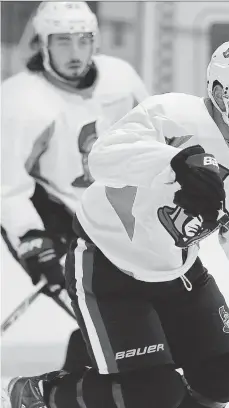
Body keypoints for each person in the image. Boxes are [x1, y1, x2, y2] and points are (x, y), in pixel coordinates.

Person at [5, 41, 229, 408]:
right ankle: (42, 395)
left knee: (226, 372)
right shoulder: (171, 114)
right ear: (218, 92)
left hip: (177, 269)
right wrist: (176, 163)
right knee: (153, 392)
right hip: (108, 263)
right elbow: (104, 158)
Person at [1, 1, 149, 374]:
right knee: (111, 320)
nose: (75, 53)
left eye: (84, 41)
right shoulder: (19, 100)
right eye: (63, 42)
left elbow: (156, 139)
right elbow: (7, 185)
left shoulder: (122, 78)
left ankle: (72, 389)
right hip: (56, 222)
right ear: (42, 44)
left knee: (141, 313)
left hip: (115, 216)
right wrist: (32, 241)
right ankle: (57, 392)